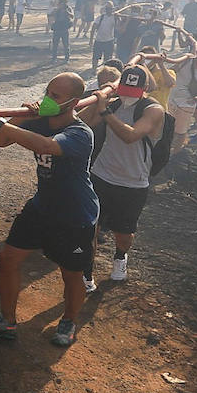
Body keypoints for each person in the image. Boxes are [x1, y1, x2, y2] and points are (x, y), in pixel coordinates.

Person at [0, 72, 98, 347]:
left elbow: (46, 146)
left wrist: (0, 121)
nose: (47, 100)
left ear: (74, 102)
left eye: (56, 97)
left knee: (72, 273)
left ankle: (69, 321)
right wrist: (22, 118)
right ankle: (6, 320)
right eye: (47, 92)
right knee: (8, 258)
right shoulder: (40, 122)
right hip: (41, 208)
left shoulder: (80, 133)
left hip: (75, 216)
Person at [81, 65, 164, 286]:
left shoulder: (153, 110)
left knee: (124, 233)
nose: (128, 96)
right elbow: (83, 124)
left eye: (134, 91)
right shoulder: (114, 103)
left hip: (133, 182)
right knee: (90, 227)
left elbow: (130, 135)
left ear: (145, 88)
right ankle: (86, 273)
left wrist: (105, 111)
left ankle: (120, 257)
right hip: (101, 175)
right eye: (125, 89)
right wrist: (98, 99)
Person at [162, 39, 197, 152]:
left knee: (181, 130)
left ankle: (175, 153)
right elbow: (172, 71)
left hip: (188, 102)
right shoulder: (186, 61)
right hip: (171, 98)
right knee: (166, 127)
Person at [90, 2, 117, 66]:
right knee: (95, 57)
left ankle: (105, 70)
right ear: (105, 9)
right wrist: (91, 40)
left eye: (110, 9)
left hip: (109, 41)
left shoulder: (115, 18)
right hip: (99, 40)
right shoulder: (100, 17)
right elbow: (93, 28)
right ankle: (94, 70)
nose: (109, 10)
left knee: (107, 58)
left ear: (112, 9)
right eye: (107, 8)